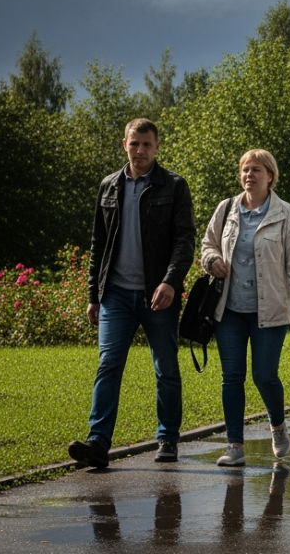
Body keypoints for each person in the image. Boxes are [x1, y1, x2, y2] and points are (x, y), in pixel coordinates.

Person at [69, 118, 195, 468]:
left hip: (159, 295)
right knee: (108, 364)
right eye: (134, 144)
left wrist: (170, 282)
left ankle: (167, 438)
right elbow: (98, 243)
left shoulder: (174, 186)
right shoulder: (109, 186)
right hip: (116, 295)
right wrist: (94, 294)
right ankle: (98, 443)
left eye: (146, 145)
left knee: (165, 367)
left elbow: (185, 241)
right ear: (124, 144)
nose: (140, 151)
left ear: (156, 148)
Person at [200, 149, 290, 466]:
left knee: (265, 375)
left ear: (271, 177)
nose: (249, 175)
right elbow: (207, 244)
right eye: (245, 170)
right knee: (231, 376)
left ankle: (277, 425)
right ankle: (235, 446)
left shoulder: (285, 214)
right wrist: (211, 260)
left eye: (257, 170)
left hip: (272, 310)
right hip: (230, 310)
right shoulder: (226, 210)